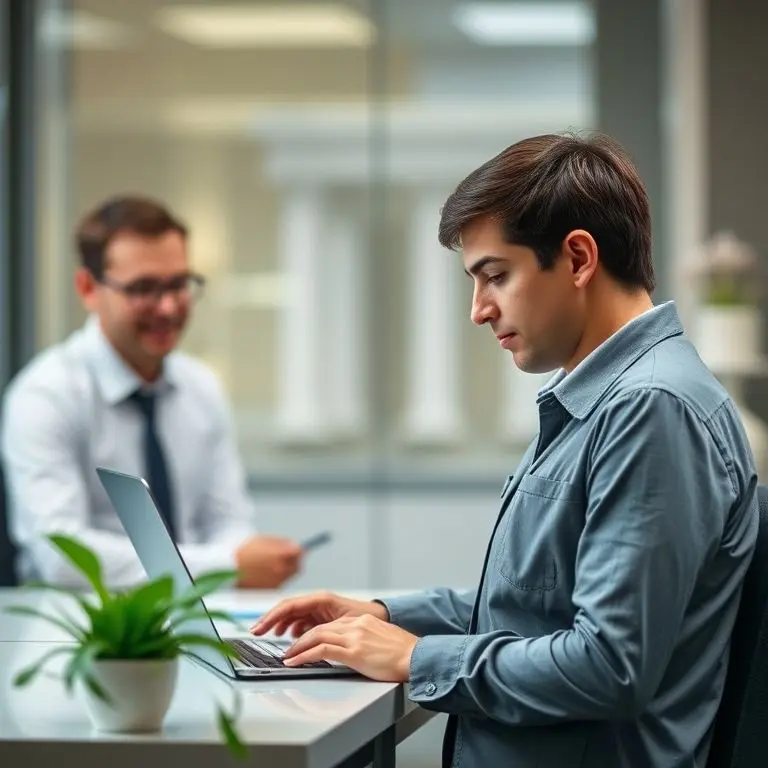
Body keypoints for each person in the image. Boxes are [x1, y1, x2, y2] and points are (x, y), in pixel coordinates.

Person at [251, 133, 759, 767]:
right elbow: (537, 607)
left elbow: (608, 664)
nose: (478, 310)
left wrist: (413, 656)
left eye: (495, 276)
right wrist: (381, 612)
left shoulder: (651, 409)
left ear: (577, 258)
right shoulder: (601, 398)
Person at [1, 195, 304, 589]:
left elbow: (227, 523)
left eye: (179, 284)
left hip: (203, 618)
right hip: (86, 627)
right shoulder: (46, 395)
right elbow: (63, 557)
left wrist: (243, 558)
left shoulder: (201, 387)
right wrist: (225, 566)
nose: (167, 307)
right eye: (144, 288)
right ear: (89, 288)